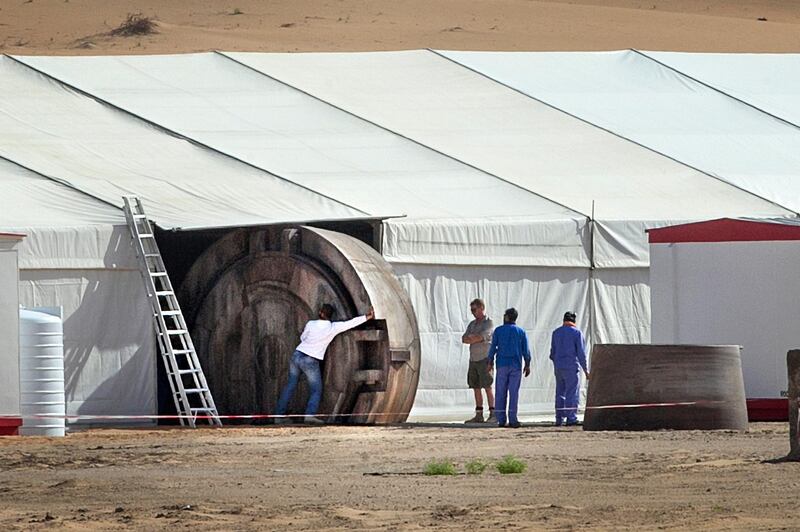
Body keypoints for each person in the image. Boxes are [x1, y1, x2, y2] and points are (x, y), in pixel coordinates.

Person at [275, 304, 374, 425]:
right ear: (330, 316)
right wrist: (367, 317)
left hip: (297, 355)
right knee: (316, 389)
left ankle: (278, 416)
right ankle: (309, 415)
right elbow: (350, 323)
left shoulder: (311, 324)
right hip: (310, 360)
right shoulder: (333, 327)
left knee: (290, 385)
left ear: (320, 313)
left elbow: (302, 337)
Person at [486, 308, 531, 428]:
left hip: (501, 364)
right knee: (514, 392)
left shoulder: (499, 331)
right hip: (515, 365)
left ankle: (501, 419)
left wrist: (489, 361)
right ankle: (513, 419)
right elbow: (525, 350)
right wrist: (527, 364)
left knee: (500, 392)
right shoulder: (521, 331)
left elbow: (493, 348)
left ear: (507, 317)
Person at [549, 311, 589, 427]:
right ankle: (571, 417)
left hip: (558, 367)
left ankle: (559, 418)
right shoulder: (577, 333)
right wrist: (586, 370)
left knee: (560, 392)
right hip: (571, 366)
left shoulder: (556, 333)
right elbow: (581, 353)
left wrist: (557, 361)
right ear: (574, 321)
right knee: (572, 392)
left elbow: (552, 353)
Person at [461, 299, 495, 424]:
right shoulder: (472, 324)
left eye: (474, 309)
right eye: (471, 310)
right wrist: (473, 338)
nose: (473, 312)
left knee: (487, 386)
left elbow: (482, 337)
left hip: (485, 358)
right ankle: (479, 414)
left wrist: (474, 338)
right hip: (473, 359)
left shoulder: (488, 323)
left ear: (481, 308)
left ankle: (493, 413)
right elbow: (464, 338)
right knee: (475, 386)